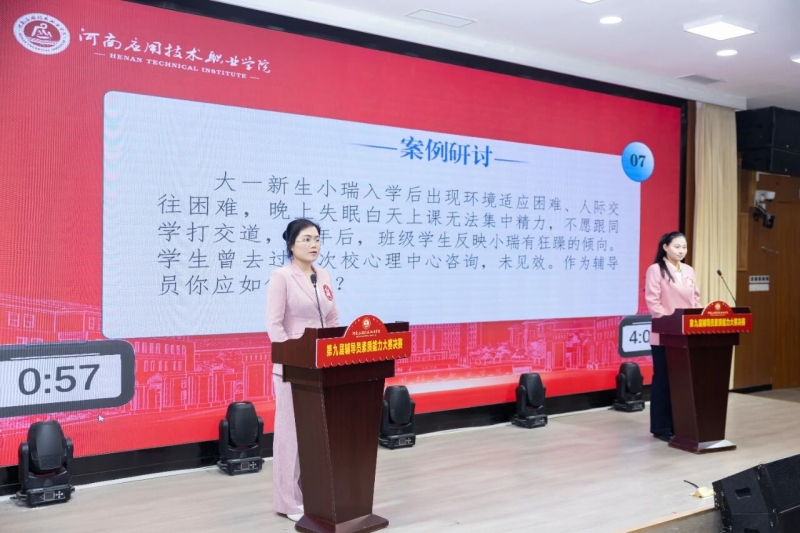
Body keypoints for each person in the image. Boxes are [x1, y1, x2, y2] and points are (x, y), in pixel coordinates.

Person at [266, 218, 339, 521]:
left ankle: (312, 494)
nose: (314, 245)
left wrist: (333, 349)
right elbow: (274, 324)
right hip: (293, 367)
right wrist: (292, 355)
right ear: (291, 244)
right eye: (307, 239)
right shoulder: (281, 277)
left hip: (320, 365)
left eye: (317, 239)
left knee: (314, 434)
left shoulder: (324, 275)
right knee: (290, 435)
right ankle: (287, 502)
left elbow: (332, 318)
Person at [644, 231, 701, 442]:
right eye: (677, 246)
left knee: (682, 381)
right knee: (664, 380)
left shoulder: (688, 270)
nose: (681, 251)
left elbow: (696, 300)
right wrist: (670, 322)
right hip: (665, 334)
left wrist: (697, 319)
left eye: (684, 247)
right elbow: (653, 302)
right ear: (665, 247)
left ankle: (680, 424)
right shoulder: (656, 269)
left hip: (686, 335)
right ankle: (661, 427)